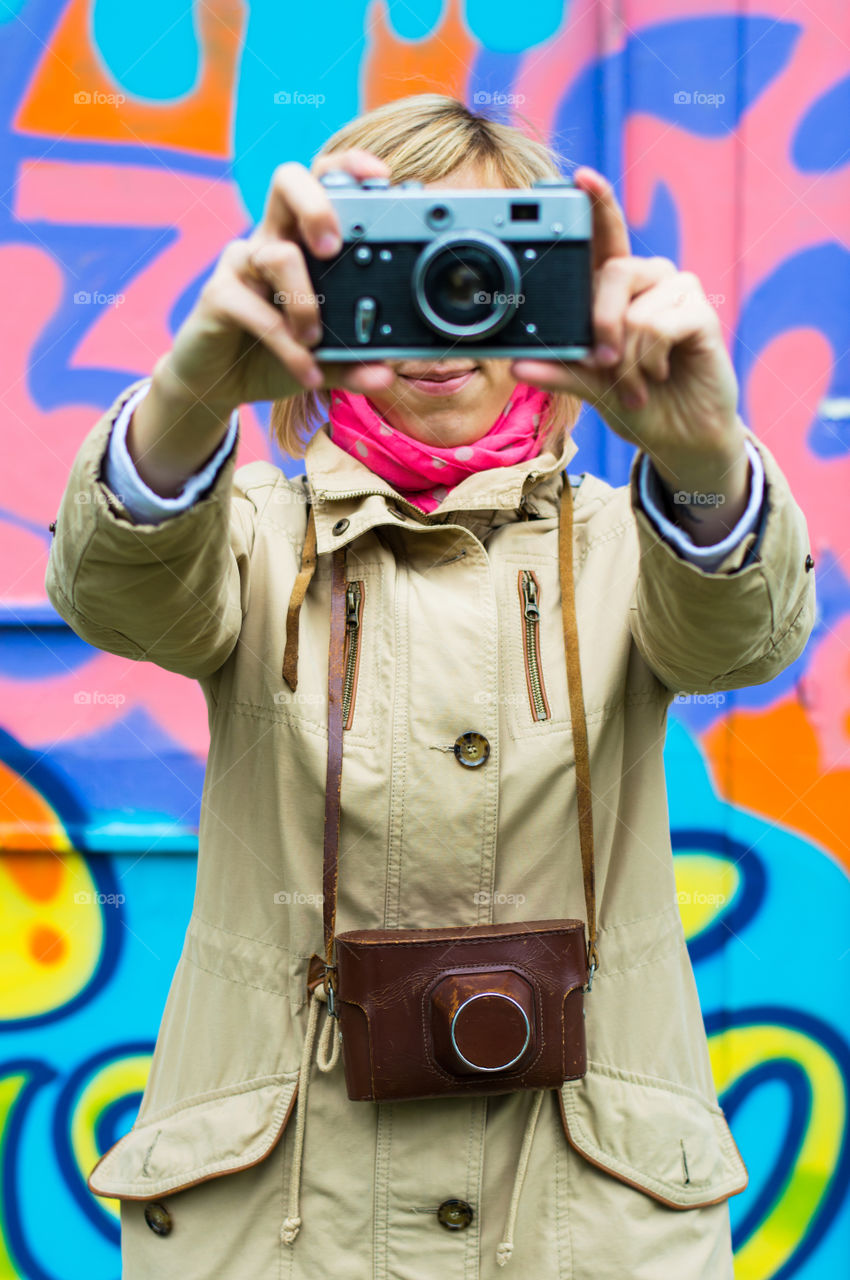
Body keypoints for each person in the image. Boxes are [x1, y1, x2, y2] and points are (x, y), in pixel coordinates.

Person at [45, 94, 814, 1279]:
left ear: (557, 290)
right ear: (312, 295)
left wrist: (706, 463)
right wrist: (191, 397)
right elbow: (120, 590)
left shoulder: (630, 541)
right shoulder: (243, 531)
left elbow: (741, 639)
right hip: (287, 1232)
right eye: (397, 265)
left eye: (492, 263)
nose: (445, 304)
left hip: (588, 1230)